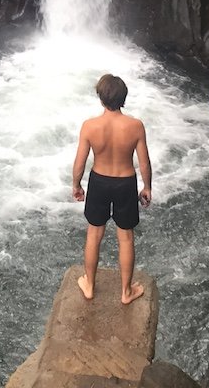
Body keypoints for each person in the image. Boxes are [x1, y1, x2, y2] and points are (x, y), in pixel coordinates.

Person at [71, 73, 152, 305]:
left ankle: (89, 285)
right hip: (125, 182)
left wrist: (77, 185)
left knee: (94, 234)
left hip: (99, 181)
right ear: (123, 98)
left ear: (100, 98)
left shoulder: (90, 126)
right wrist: (147, 186)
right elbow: (144, 162)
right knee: (125, 238)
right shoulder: (135, 126)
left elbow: (80, 162)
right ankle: (126, 292)